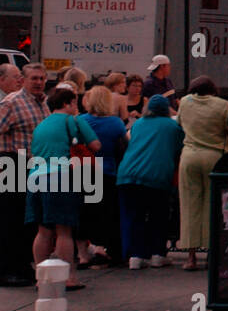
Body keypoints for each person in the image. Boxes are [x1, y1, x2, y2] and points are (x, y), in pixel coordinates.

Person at [26, 87, 101, 292]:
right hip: (60, 176)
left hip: (35, 177)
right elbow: (95, 145)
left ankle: (41, 279)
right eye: (74, 102)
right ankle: (68, 278)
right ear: (68, 103)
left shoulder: (40, 125)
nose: (76, 106)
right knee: (64, 231)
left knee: (43, 231)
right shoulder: (74, 120)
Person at [117, 95, 185, 269]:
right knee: (158, 215)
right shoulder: (173, 126)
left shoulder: (137, 124)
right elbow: (179, 148)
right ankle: (157, 254)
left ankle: (135, 256)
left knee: (134, 216)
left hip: (128, 174)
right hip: (157, 175)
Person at [0, 62, 49, 286]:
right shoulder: (12, 102)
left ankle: (21, 266)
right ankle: (7, 270)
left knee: (28, 220)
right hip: (11, 163)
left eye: (41, 78)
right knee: (10, 219)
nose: (38, 82)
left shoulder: (44, 103)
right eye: (34, 79)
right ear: (23, 81)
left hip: (34, 165)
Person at [177, 76, 228, 270]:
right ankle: (210, 252)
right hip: (214, 157)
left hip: (189, 155)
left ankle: (190, 257)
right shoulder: (223, 105)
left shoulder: (184, 102)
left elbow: (180, 124)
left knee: (189, 206)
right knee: (212, 205)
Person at [79, 85, 128, 266]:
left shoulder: (81, 120)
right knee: (108, 213)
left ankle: (83, 253)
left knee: (85, 213)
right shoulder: (115, 123)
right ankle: (107, 249)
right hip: (107, 171)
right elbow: (124, 146)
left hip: (84, 170)